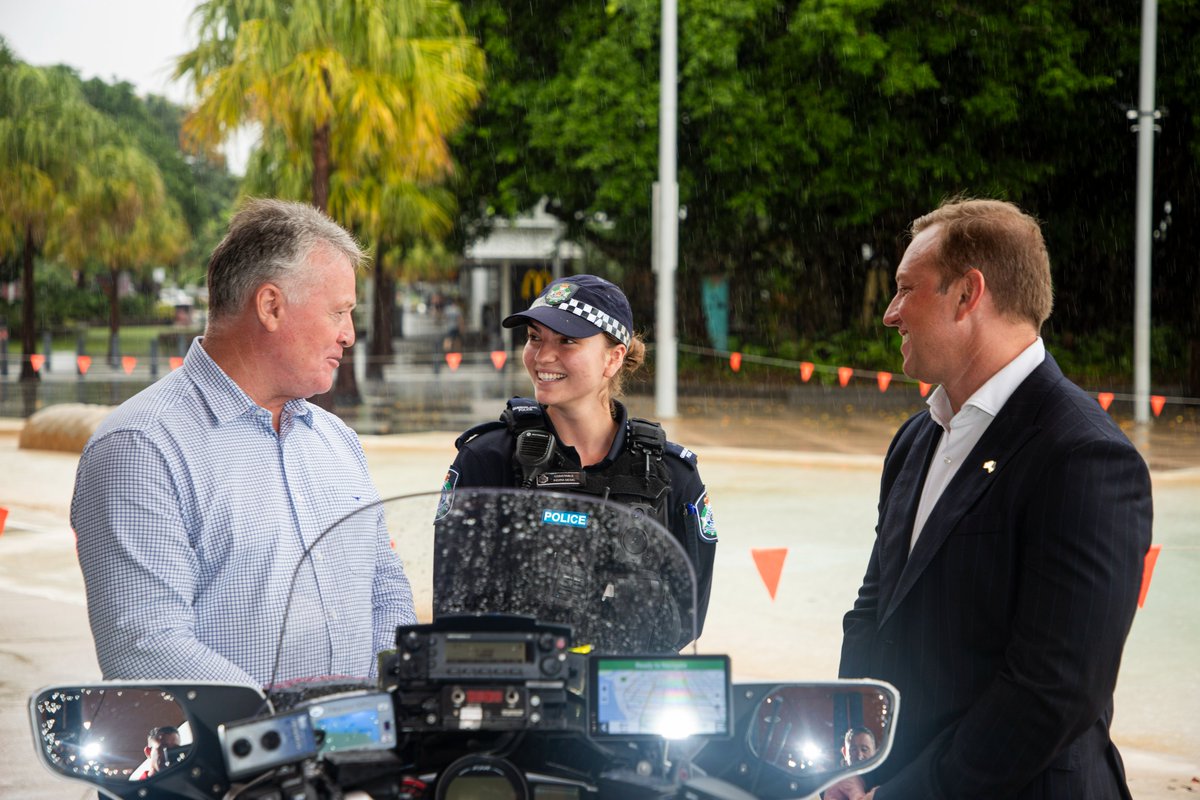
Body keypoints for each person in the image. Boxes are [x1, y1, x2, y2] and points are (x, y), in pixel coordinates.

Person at [838, 198, 1152, 798]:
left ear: (967, 294)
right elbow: (874, 608)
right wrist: (852, 751)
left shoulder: (1083, 455)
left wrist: (906, 794)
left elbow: (1053, 689)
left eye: (906, 289)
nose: (890, 313)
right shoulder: (918, 434)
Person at [72, 198, 416, 688]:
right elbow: (144, 644)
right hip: (227, 760)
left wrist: (383, 704)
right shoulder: (140, 447)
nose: (349, 335)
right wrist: (285, 732)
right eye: (339, 312)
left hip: (362, 753)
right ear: (271, 306)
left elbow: (385, 589)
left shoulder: (337, 440)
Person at [441, 274, 717, 643]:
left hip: (627, 691)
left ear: (613, 358)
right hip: (518, 691)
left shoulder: (673, 475)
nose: (542, 356)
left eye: (567, 341)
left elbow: (686, 622)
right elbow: (455, 612)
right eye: (535, 337)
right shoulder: (486, 460)